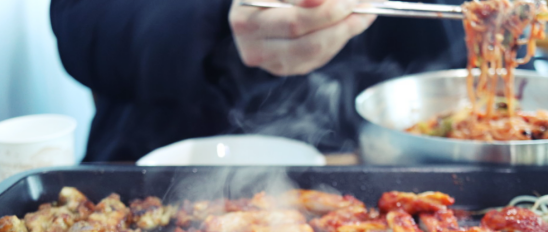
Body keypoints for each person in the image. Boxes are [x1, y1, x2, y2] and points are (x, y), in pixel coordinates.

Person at [51, 0, 469, 162]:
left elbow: (455, 42)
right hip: (152, 164)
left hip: (398, 168)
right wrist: (213, 22)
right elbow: (79, 23)